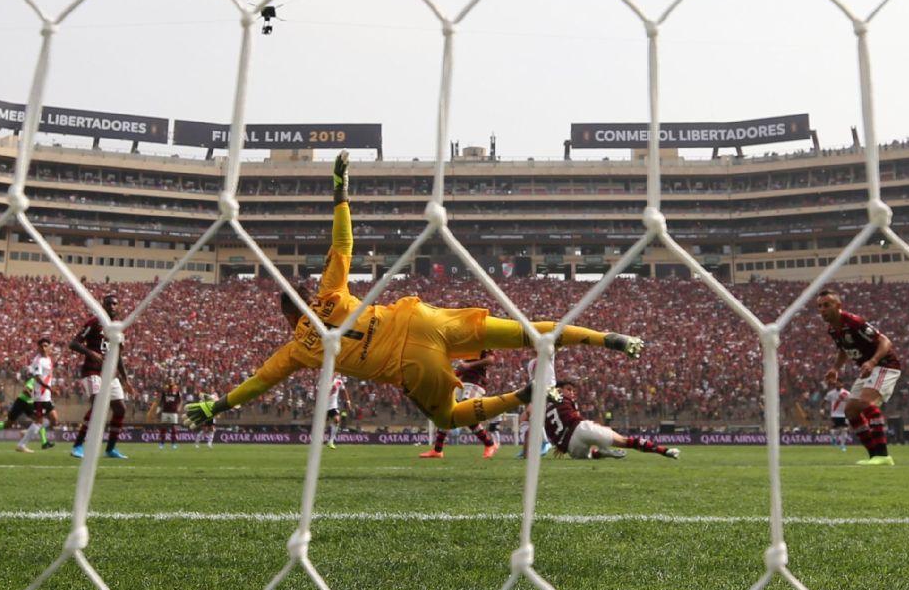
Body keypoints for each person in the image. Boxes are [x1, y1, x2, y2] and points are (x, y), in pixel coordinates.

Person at [185, 151, 644, 431]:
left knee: (446, 419)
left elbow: (258, 382)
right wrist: (340, 193)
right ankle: (607, 338)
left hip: (409, 363)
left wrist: (218, 404)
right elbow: (343, 242)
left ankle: (520, 398)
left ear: (287, 317)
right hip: (422, 318)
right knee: (527, 332)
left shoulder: (298, 350)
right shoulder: (327, 293)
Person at [816, 288, 898, 466]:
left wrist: (873, 361)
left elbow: (885, 341)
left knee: (865, 403)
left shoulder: (854, 322)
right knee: (851, 410)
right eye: (820, 306)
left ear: (838, 305)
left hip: (884, 364)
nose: (822, 309)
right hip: (868, 368)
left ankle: (883, 455)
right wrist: (835, 368)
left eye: (827, 305)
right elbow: (843, 350)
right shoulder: (833, 329)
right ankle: (873, 456)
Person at [539, 375, 679, 461]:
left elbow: (553, 433)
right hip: (580, 429)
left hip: (571, 448)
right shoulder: (564, 400)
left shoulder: (546, 411)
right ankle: (664, 451)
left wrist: (562, 445)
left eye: (573, 390)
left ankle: (602, 452)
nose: (571, 392)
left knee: (589, 455)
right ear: (558, 390)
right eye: (568, 389)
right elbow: (574, 420)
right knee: (625, 441)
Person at [69, 293, 135, 459]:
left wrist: (125, 379)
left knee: (120, 408)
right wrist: (90, 353)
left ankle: (110, 449)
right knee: (98, 405)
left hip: (110, 375)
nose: (112, 306)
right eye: (109, 304)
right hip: (92, 372)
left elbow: (118, 356)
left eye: (114, 304)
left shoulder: (119, 329)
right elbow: (74, 343)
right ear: (103, 306)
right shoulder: (94, 322)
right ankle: (77, 445)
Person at [420, 352, 502, 459]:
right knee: (447, 413)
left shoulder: (478, 340)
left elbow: (490, 359)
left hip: (475, 383)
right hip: (462, 383)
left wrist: (469, 365)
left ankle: (489, 444)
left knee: (467, 412)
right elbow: (462, 368)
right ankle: (437, 450)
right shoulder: (465, 345)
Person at [18, 338, 56, 453]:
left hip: (47, 395)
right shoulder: (38, 361)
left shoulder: (49, 359)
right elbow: (37, 377)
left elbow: (48, 375)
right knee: (39, 421)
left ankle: (31, 430)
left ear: (50, 347)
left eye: (46, 346)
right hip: (40, 395)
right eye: (41, 346)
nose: (44, 348)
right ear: (38, 348)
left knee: (54, 420)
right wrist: (49, 387)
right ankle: (22, 444)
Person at [150, 381, 183, 449]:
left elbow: (180, 401)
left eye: (172, 385)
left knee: (173, 428)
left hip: (173, 412)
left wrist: (179, 407)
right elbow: (161, 402)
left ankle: (173, 444)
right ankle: (162, 443)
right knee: (163, 428)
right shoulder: (165, 393)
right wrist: (157, 410)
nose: (171, 387)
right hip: (165, 412)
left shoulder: (177, 393)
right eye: (170, 385)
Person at [325, 374, 353, 449]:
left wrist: (348, 402)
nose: (335, 374)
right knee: (321, 424)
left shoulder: (338, 382)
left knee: (337, 420)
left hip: (333, 406)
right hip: (323, 406)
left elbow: (344, 391)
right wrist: (331, 391)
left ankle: (331, 441)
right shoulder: (323, 381)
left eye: (336, 372)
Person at [824, 383, 851, 452]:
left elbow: (850, 402)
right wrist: (822, 409)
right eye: (837, 383)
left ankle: (842, 445)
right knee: (835, 430)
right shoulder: (831, 393)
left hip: (844, 414)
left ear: (842, 384)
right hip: (835, 414)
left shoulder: (847, 393)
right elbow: (824, 401)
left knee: (844, 429)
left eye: (839, 383)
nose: (838, 385)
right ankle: (833, 437)